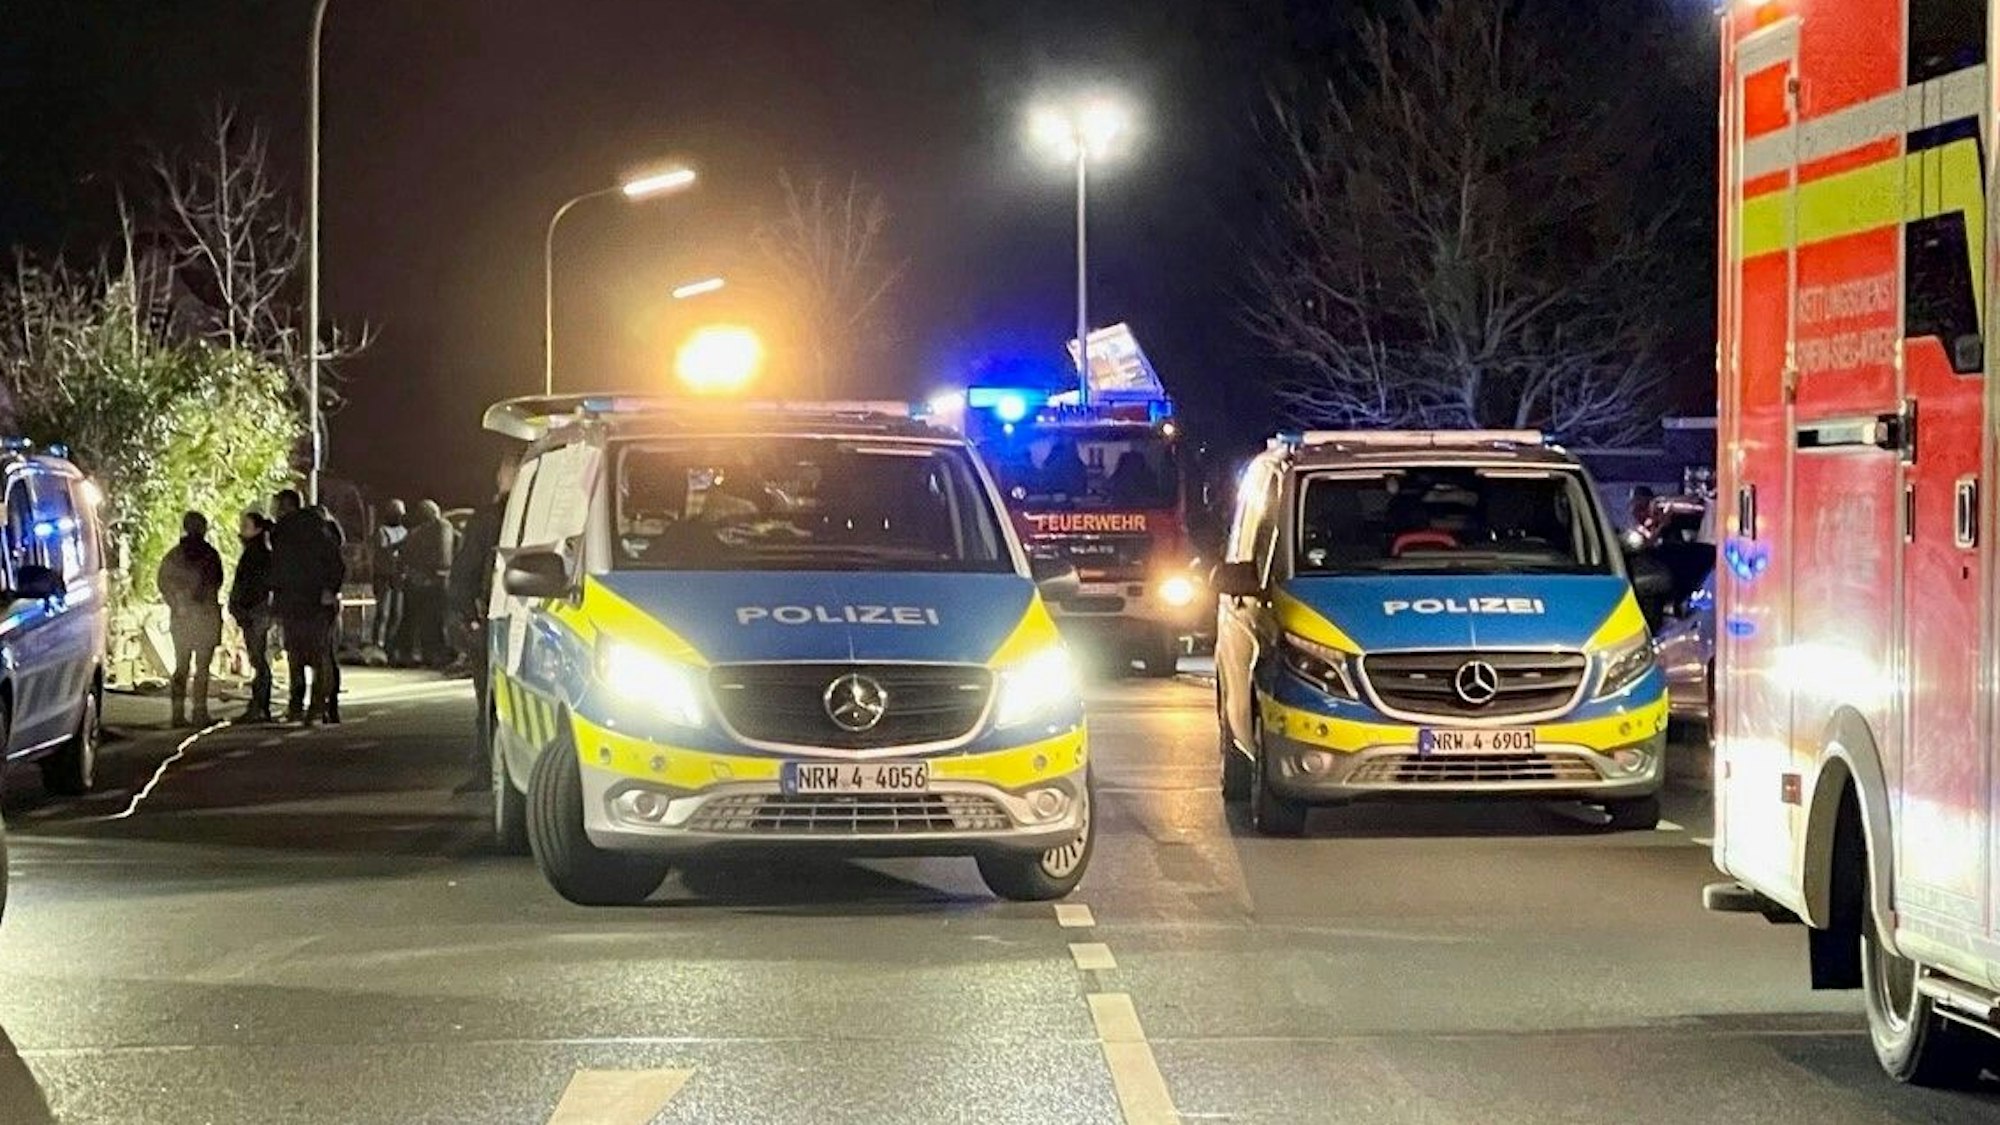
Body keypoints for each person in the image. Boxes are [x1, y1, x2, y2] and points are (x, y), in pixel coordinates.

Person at [450, 458, 518, 791]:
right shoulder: (552, 513)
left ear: (503, 477)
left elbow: (465, 572)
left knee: (488, 699)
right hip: (540, 619)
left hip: (495, 619)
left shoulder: (488, 519)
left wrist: (467, 618)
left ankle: (487, 769)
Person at [269, 489, 344, 725]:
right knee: (322, 654)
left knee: (297, 655)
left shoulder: (282, 531)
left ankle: (297, 706)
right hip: (319, 601)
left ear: (286, 507)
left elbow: (277, 569)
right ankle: (322, 706)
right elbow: (337, 562)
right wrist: (330, 590)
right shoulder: (324, 527)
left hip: (294, 601)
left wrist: (276, 603)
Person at [157, 511, 225, 727]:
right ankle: (199, 711)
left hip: (182, 616)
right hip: (205, 616)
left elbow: (163, 582)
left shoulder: (174, 555)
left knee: (181, 666)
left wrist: (177, 603)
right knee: (202, 667)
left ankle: (177, 714)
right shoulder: (210, 555)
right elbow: (217, 582)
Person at [227, 511, 275, 724]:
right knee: (258, 659)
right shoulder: (256, 552)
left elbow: (252, 585)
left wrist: (242, 607)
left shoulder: (258, 553)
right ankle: (259, 705)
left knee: (259, 659)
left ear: (257, 529)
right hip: (253, 611)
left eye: (246, 526)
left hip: (256, 612)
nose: (241, 530)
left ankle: (260, 706)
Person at [397, 499, 456, 668]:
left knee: (420, 621)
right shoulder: (448, 528)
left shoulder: (418, 533)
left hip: (422, 582)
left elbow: (406, 555)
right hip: (442, 581)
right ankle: (437, 654)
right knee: (437, 620)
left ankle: (421, 654)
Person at [310, 504, 348, 723]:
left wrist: (329, 591)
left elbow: (337, 569)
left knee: (323, 654)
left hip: (322, 603)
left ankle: (324, 703)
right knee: (327, 654)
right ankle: (329, 705)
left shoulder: (323, 540)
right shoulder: (331, 538)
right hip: (327, 602)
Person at [367, 499, 407, 663]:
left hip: (398, 577)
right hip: (383, 576)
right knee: (383, 613)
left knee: (397, 613)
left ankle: (391, 646)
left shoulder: (404, 531)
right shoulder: (382, 531)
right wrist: (401, 545)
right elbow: (383, 551)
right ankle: (377, 644)